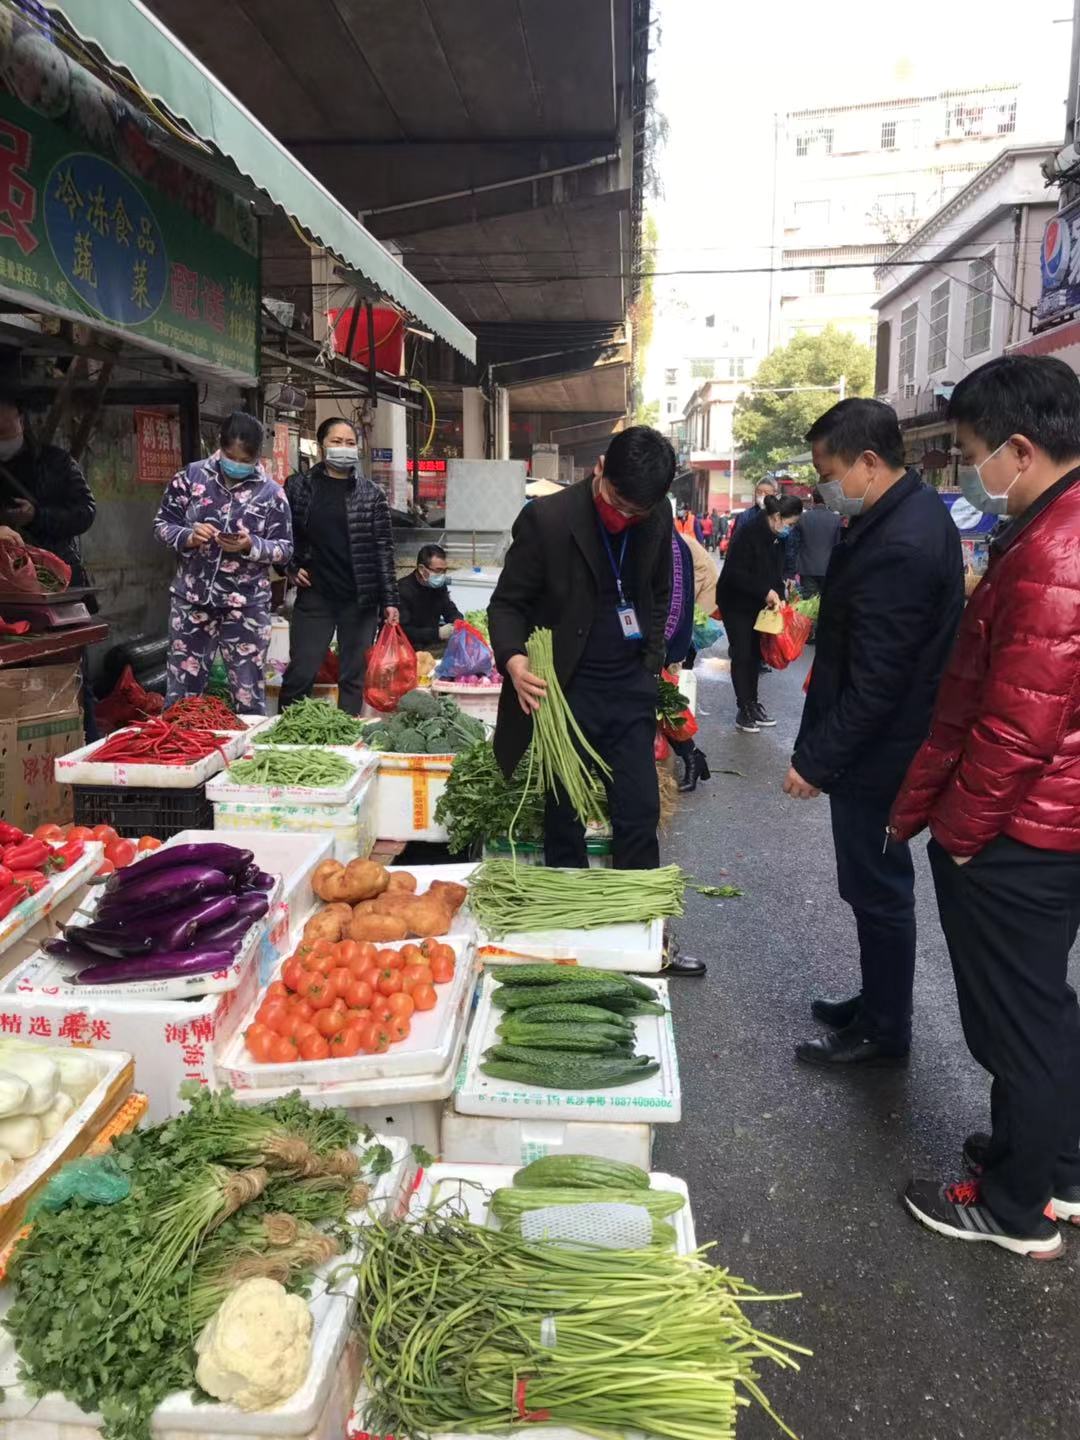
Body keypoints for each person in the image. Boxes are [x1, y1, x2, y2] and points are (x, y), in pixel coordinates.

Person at [889, 356, 1080, 1260]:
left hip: (1024, 830)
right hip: (1052, 820)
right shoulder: (1053, 530)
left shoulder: (1053, 550)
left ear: (1019, 448)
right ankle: (1053, 1164)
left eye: (971, 454)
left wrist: (961, 836)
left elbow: (1015, 725)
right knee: (1043, 1008)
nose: (972, 474)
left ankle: (1013, 1210)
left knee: (1018, 1023)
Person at [784, 398, 964, 1069]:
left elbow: (879, 679)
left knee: (879, 890)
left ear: (867, 462)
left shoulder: (905, 541)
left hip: (882, 751)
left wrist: (817, 760)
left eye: (827, 472)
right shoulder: (894, 516)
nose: (823, 488)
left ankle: (885, 1031)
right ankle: (876, 1003)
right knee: (869, 887)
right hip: (880, 745)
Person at [489, 427, 704, 975]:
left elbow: (658, 593)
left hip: (628, 689)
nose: (623, 517)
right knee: (564, 817)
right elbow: (507, 605)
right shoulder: (547, 520)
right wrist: (514, 661)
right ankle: (572, 941)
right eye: (616, 503)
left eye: (638, 510)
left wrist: (651, 657)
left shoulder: (652, 519)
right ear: (599, 468)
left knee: (639, 813)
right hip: (566, 694)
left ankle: (646, 938)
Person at [154, 411, 293, 714]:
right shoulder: (189, 478)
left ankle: (246, 756)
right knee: (182, 694)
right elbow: (162, 525)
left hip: (246, 606)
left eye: (246, 460)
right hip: (192, 600)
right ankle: (181, 753)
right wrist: (189, 536)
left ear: (258, 456)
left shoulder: (272, 494)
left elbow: (284, 549)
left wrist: (250, 545)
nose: (237, 465)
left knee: (248, 693)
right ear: (219, 446)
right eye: (231, 457)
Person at [280, 417, 399, 715]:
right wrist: (290, 567)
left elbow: (383, 550)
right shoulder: (298, 487)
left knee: (353, 676)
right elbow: (283, 535)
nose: (343, 448)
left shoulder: (371, 494)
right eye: (336, 442)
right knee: (302, 670)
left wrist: (390, 601)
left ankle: (347, 734)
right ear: (321, 446)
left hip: (359, 599)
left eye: (349, 443)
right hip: (315, 595)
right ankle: (286, 733)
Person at [0, 387, 97, 733]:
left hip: (57, 587)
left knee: (71, 679)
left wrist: (36, 516)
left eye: (2, 409)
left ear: (19, 414)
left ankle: (82, 746)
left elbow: (85, 512)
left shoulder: (55, 462)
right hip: (7, 595)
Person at [715, 492, 802, 733]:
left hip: (758, 603)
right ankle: (743, 709)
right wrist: (765, 591)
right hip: (735, 602)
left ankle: (753, 703)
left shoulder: (777, 537)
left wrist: (780, 595)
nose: (790, 530)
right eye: (790, 524)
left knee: (755, 654)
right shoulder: (749, 532)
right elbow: (736, 574)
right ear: (776, 517)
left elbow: (774, 571)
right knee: (742, 654)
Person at [398, 543, 462, 653]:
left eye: (444, 571)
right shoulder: (402, 590)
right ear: (422, 569)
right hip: (407, 649)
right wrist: (437, 633)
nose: (442, 575)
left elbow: (449, 609)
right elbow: (403, 631)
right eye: (438, 571)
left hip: (432, 645)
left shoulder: (439, 587)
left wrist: (458, 622)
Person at [797, 488, 842, 601]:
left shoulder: (802, 518)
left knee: (807, 604)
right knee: (826, 602)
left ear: (812, 499)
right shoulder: (836, 519)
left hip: (806, 568)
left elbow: (796, 543)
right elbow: (838, 545)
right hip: (828, 568)